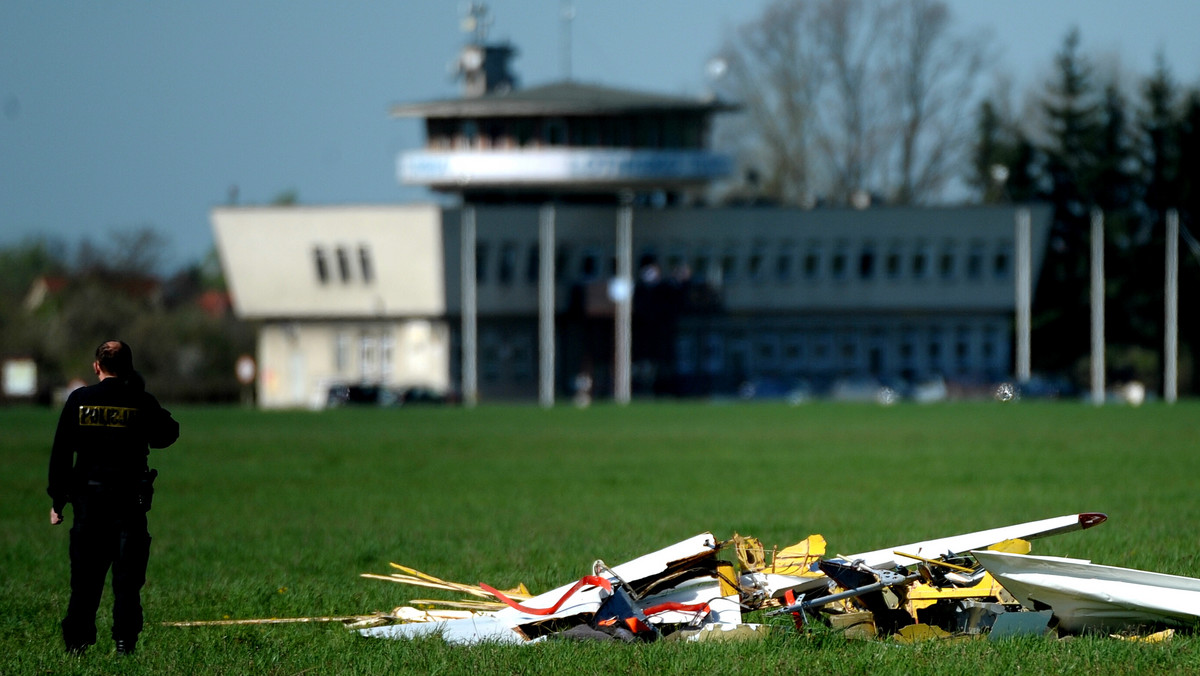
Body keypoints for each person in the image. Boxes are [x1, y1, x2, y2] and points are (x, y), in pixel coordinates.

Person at [48, 340, 180, 656]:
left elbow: (62, 453)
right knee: (127, 581)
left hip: (88, 504)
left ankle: (77, 644)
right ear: (129, 367)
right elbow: (168, 433)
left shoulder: (78, 401)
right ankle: (124, 643)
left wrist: (57, 500)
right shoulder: (141, 401)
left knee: (84, 581)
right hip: (128, 506)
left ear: (96, 367)